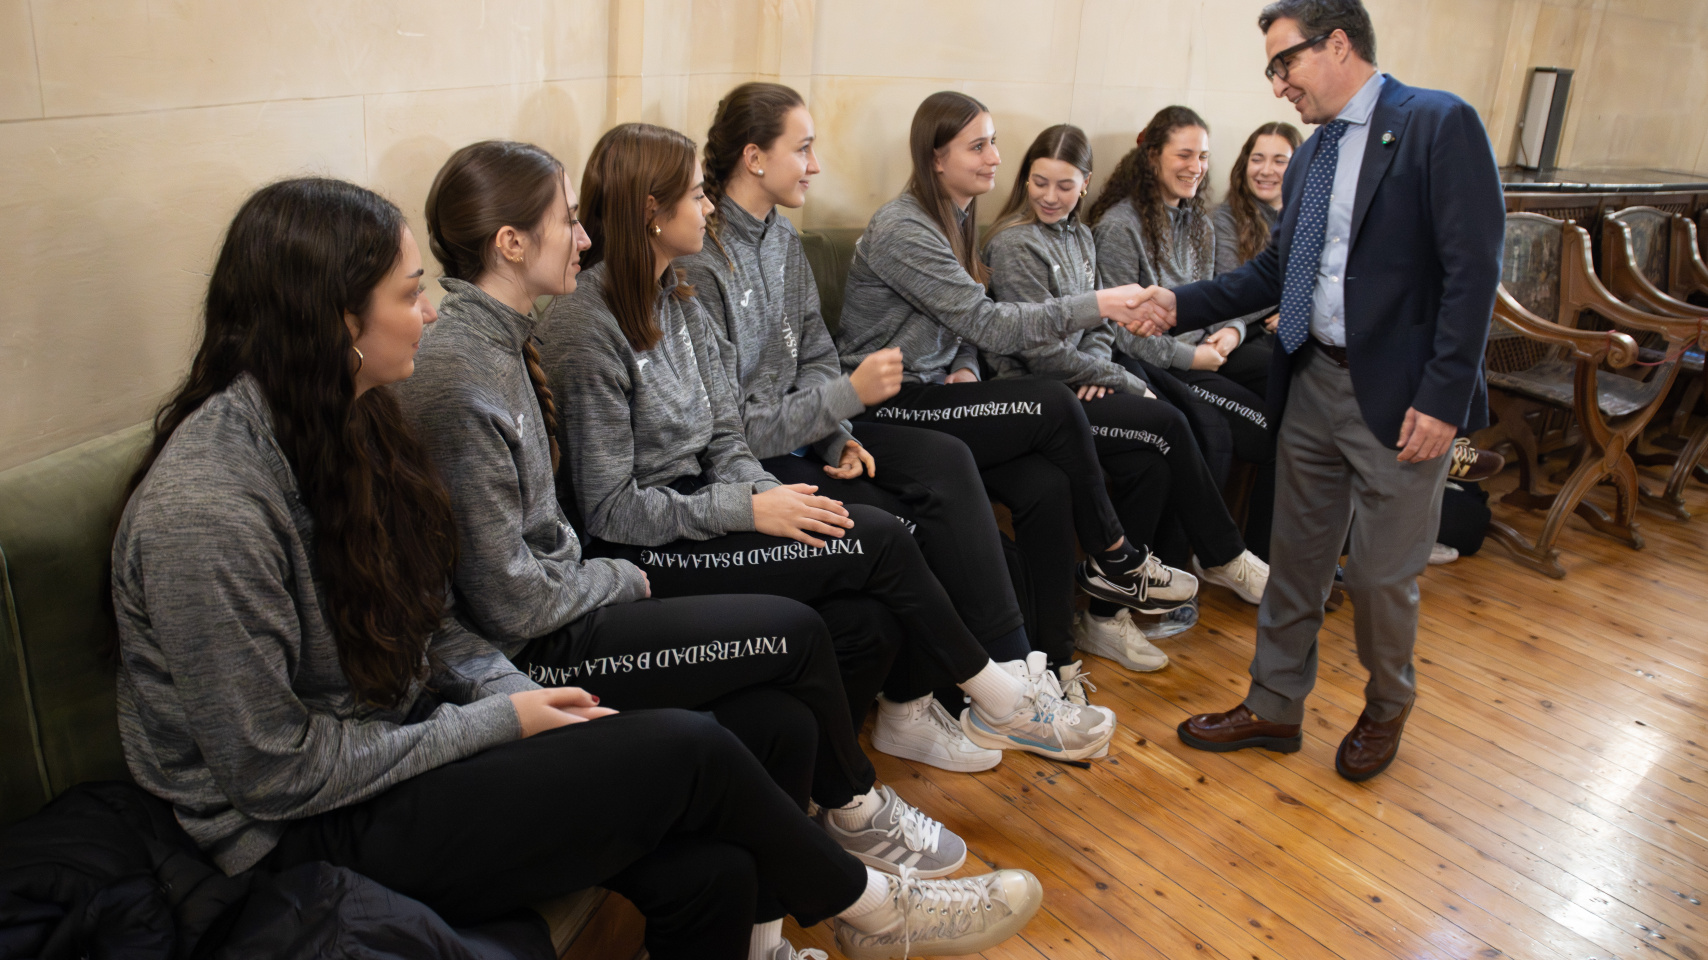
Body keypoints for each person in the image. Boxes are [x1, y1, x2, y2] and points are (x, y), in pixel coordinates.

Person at [111, 176, 1044, 960]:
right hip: (295, 832)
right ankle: (873, 910)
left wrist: (504, 698)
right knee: (694, 745)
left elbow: (433, 619)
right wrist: (498, 723)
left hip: (401, 734)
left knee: (736, 802)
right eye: (406, 293)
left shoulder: (350, 421)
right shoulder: (209, 505)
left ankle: (851, 896)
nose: (430, 310)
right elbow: (275, 776)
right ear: (331, 320)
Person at [395, 140, 974, 905]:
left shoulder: (586, 320)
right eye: (568, 222)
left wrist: (758, 493)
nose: (584, 236)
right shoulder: (470, 369)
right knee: (814, 614)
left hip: (587, 585)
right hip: (558, 621)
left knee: (820, 671)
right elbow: (544, 569)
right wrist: (631, 570)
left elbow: (724, 434)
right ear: (510, 243)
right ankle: (887, 813)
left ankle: (781, 921)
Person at [539, 122, 1118, 764]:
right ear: (651, 211)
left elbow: (727, 433)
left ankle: (866, 772)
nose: (708, 210)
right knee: (885, 535)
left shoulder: (677, 297)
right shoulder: (584, 324)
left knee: (874, 604)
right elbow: (610, 511)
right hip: (648, 545)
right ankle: (1003, 699)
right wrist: (752, 507)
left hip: (717, 500)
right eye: (697, 196)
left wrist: (769, 489)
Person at [1158, 0, 1504, 782]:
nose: (1278, 85)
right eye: (1272, 70)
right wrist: (1175, 303)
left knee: (1382, 577)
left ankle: (1387, 706)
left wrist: (1445, 398)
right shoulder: (1313, 157)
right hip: (1311, 379)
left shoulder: (1437, 123)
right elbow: (1272, 274)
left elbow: (1472, 273)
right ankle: (1275, 706)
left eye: (1285, 63)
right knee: (1297, 561)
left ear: (1337, 43)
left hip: (1402, 399)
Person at [679, 82, 1061, 739]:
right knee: (903, 520)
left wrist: (836, 435)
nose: (817, 164)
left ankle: (990, 677)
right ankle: (968, 691)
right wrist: (847, 401)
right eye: (803, 149)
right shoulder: (707, 261)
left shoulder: (780, 239)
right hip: (751, 468)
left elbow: (817, 357)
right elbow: (736, 430)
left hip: (808, 440)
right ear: (754, 158)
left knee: (962, 469)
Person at [833, 90, 1202, 672]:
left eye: (994, 142)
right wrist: (1099, 303)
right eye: (978, 146)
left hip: (938, 388)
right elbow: (989, 321)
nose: (995, 157)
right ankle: (1117, 557)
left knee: (1047, 486)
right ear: (935, 157)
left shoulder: (956, 215)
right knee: (1056, 402)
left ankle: (1055, 660)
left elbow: (959, 325)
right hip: (886, 404)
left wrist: (964, 367)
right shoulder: (904, 226)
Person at [979, 123, 1272, 670]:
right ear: (1024, 180)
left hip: (1083, 381)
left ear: (1085, 184)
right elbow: (1038, 351)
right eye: (1039, 182)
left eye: (1064, 186)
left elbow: (1100, 326)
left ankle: (1104, 618)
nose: (1050, 196)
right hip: (1035, 396)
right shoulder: (1014, 241)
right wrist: (1116, 376)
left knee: (1150, 467)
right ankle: (1224, 554)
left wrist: (1100, 366)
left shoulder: (1082, 237)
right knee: (1165, 422)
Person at [1089, 106, 1280, 562]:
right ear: (1152, 156)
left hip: (1209, 356)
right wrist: (1190, 358)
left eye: (1204, 156)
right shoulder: (1119, 226)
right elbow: (1121, 333)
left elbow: (1221, 295)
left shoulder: (1198, 220)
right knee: (1209, 434)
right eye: (1185, 155)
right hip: (1164, 364)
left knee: (1278, 428)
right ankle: (1180, 565)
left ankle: (1263, 558)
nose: (1196, 167)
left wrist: (1231, 331)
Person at [1212, 121, 1302, 348]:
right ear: (1245, 164)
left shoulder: (1310, 216)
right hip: (1240, 332)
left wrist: (1299, 311)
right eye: (1257, 159)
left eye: (1280, 161)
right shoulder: (1224, 219)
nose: (1266, 170)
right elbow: (1234, 295)